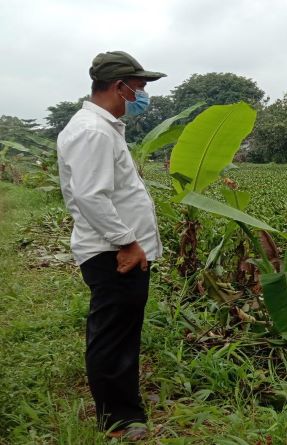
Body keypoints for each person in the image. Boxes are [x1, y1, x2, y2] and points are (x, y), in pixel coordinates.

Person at [56, 50, 166, 441]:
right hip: (113, 252)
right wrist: (127, 243)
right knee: (113, 334)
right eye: (139, 87)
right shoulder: (93, 131)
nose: (142, 95)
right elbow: (90, 196)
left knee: (121, 330)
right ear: (119, 87)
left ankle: (122, 406)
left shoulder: (102, 128)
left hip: (119, 249)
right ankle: (119, 420)